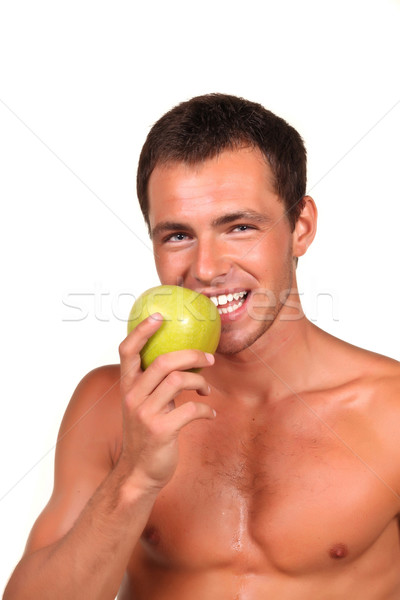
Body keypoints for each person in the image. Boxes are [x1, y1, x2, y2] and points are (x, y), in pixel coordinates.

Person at [4, 93, 400, 599]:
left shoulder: (390, 408)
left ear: (301, 226)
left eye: (239, 227)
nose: (207, 269)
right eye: (176, 236)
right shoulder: (111, 406)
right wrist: (136, 476)